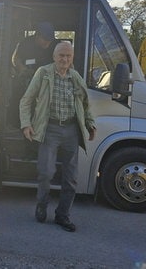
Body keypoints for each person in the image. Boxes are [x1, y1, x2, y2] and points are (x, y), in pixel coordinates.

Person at [19, 41, 96, 232]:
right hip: (49, 129)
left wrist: (90, 124)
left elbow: (85, 105)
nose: (65, 59)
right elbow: (26, 100)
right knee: (46, 172)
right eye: (61, 55)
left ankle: (63, 215)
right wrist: (26, 124)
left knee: (71, 178)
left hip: (70, 130)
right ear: (54, 57)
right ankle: (42, 205)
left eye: (68, 56)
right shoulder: (43, 73)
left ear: (72, 58)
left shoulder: (76, 77)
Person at [9, 22, 59, 128]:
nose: (47, 43)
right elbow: (15, 59)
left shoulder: (53, 47)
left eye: (50, 40)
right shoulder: (25, 44)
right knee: (20, 98)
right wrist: (23, 70)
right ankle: (17, 124)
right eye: (45, 39)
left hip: (45, 81)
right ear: (37, 36)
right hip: (27, 80)